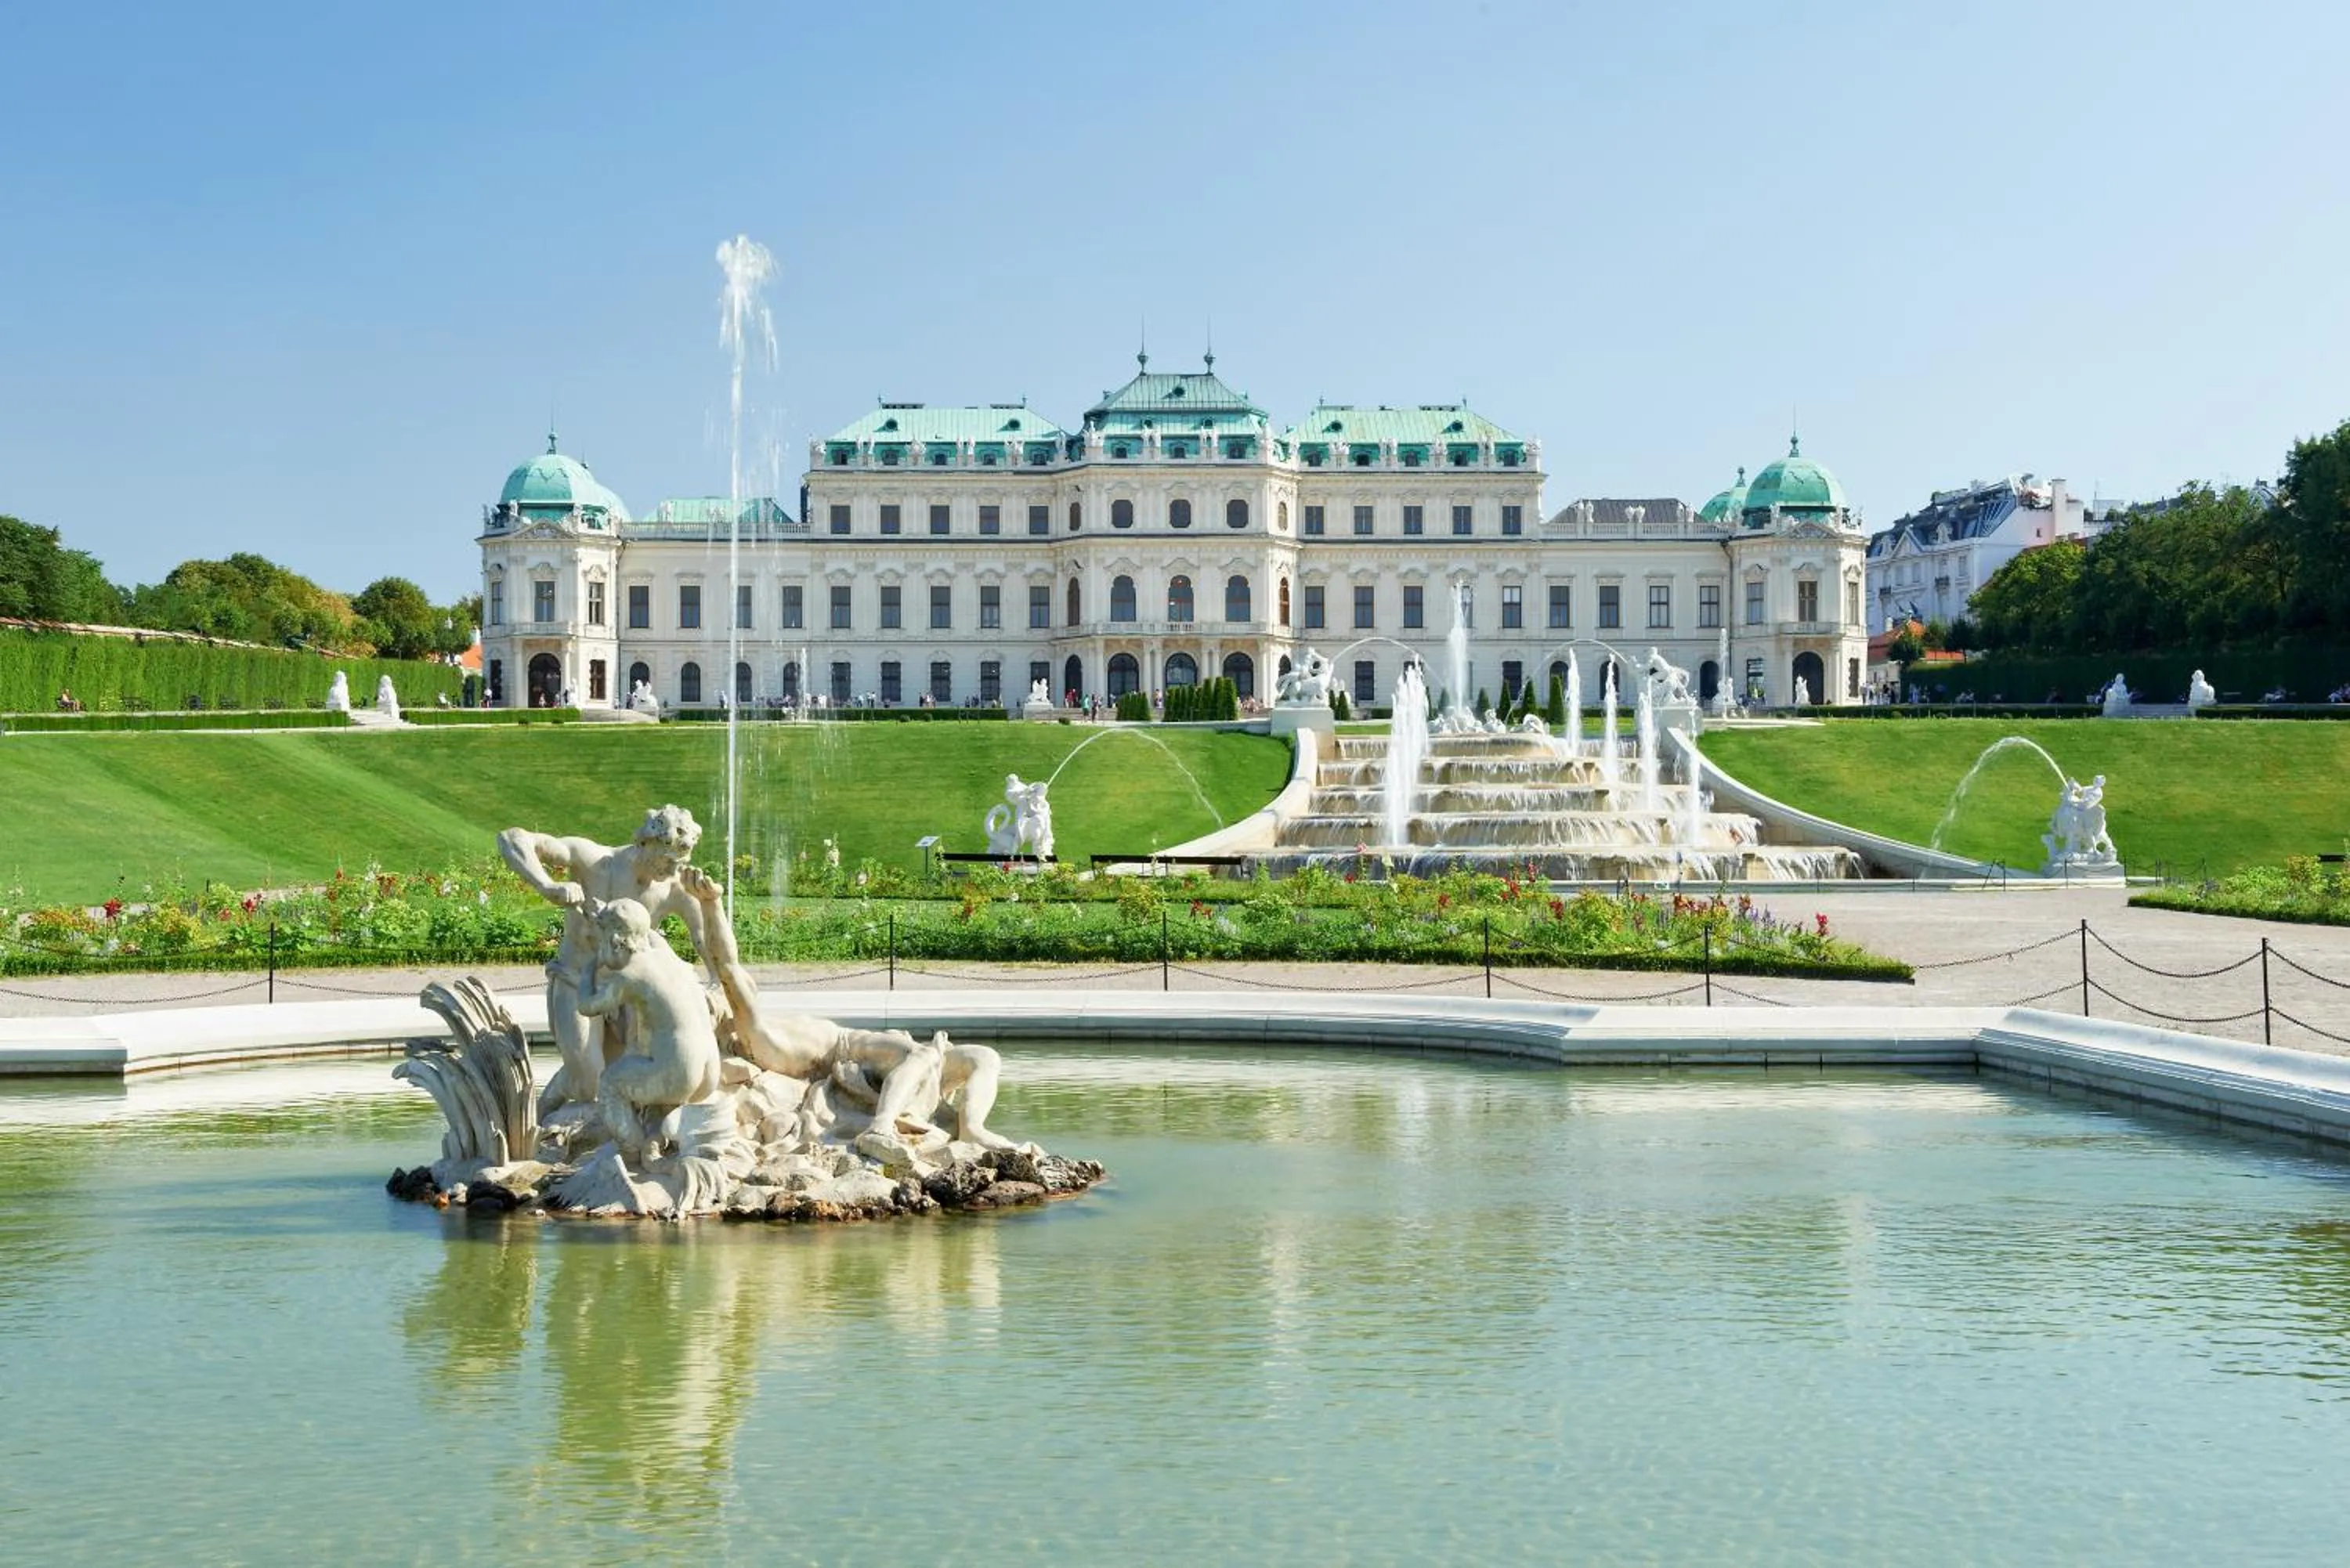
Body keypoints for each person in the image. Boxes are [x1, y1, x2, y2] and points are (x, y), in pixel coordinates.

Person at [497, 805, 718, 1113]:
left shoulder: (672, 888)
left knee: (650, 1077)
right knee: (589, 1083)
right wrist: (548, 886)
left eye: (678, 864)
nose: (672, 872)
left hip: (629, 993)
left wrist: (716, 981)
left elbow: (703, 937)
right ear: (647, 842)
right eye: (668, 862)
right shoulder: (595, 861)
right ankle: (545, 1108)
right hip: (576, 979)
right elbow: (512, 838)